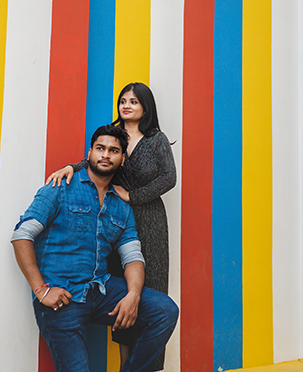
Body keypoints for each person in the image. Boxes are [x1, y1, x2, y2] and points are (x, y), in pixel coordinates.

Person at [12, 125, 178, 372]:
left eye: (114, 151)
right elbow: (22, 235)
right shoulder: (61, 186)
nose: (106, 154)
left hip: (100, 290)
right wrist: (41, 290)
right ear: (89, 153)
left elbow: (133, 256)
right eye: (100, 148)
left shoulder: (121, 204)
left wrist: (133, 295)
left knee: (164, 310)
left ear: (122, 160)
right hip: (62, 296)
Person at [46, 83, 176, 370]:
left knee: (150, 291)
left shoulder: (156, 139)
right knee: (122, 289)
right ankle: (124, 364)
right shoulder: (114, 135)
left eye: (134, 101)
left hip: (150, 223)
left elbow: (169, 178)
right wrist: (71, 167)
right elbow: (97, 159)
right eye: (123, 100)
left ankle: (146, 367)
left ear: (146, 107)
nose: (126, 105)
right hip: (115, 219)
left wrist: (134, 196)